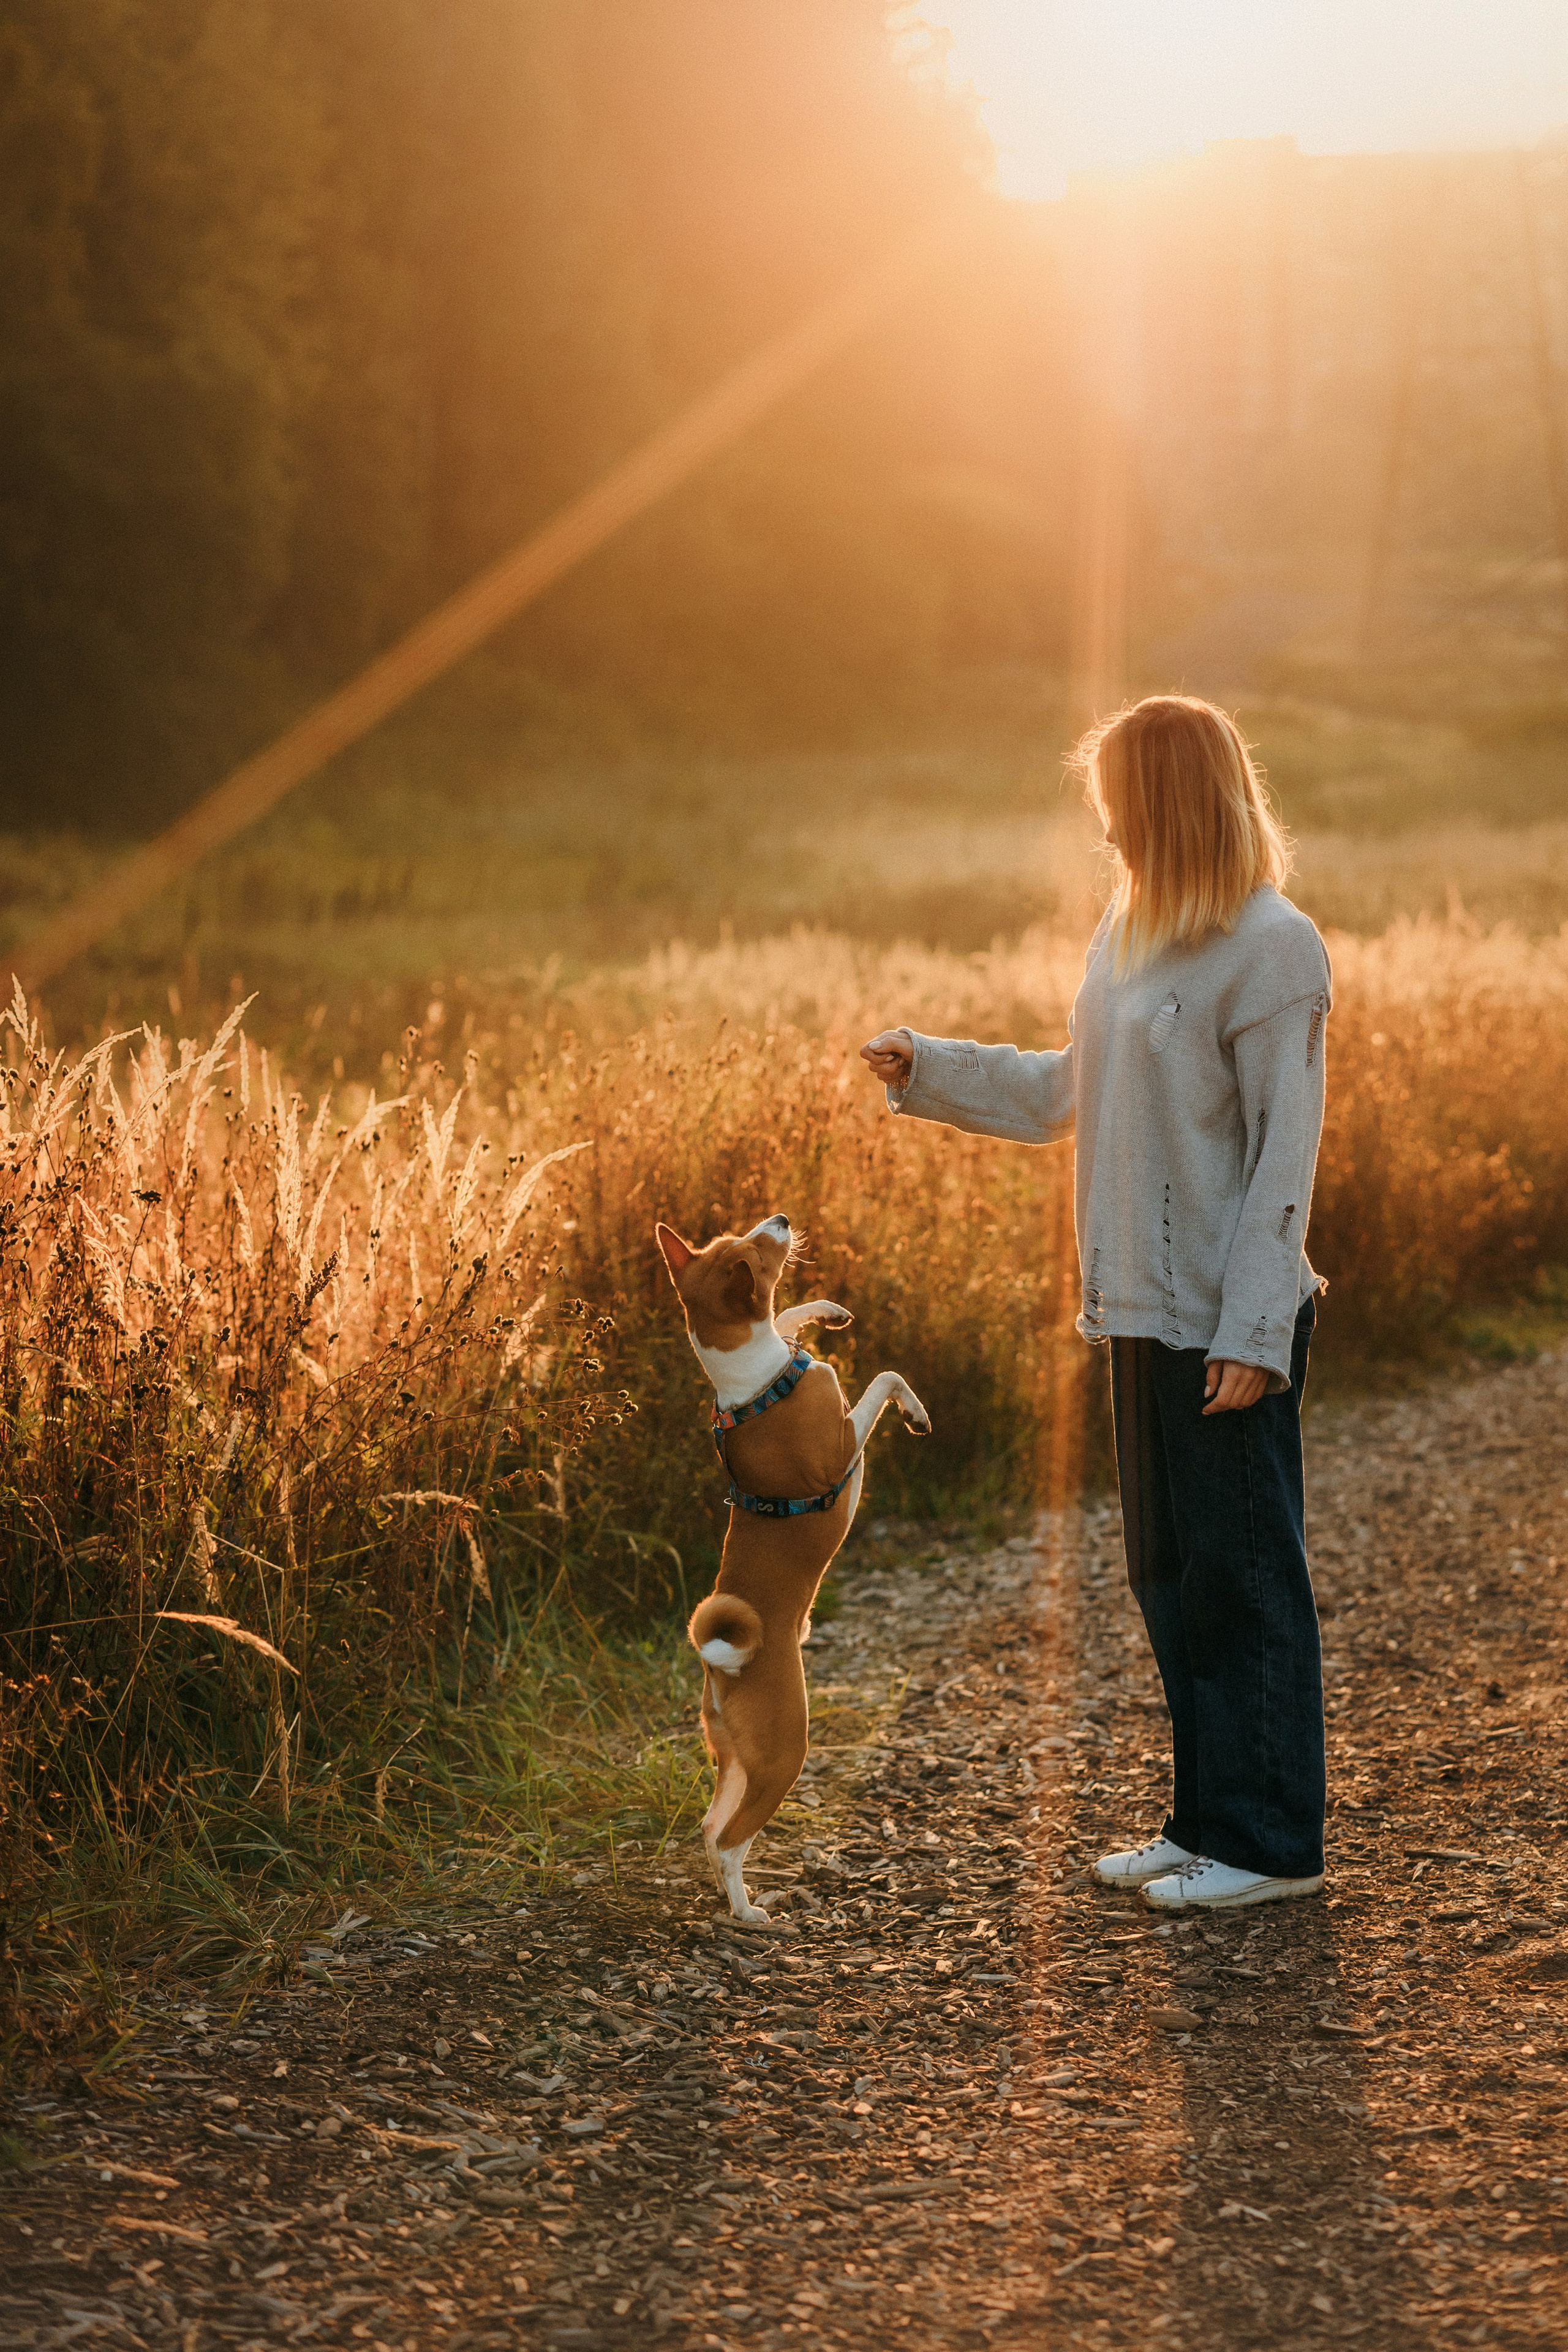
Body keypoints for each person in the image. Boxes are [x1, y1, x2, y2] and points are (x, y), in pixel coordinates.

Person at [860, 695, 1332, 1912]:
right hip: (1135, 1306)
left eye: (1116, 801)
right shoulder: (1125, 936)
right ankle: (1203, 1820)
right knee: (1168, 1578)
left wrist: (1254, 1332)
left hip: (1221, 1320)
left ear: (1163, 801)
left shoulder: (1273, 948)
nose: (1104, 825)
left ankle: (1270, 1845)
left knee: (1243, 1581)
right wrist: (934, 1068)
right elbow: (1068, 1091)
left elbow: (1285, 1161)